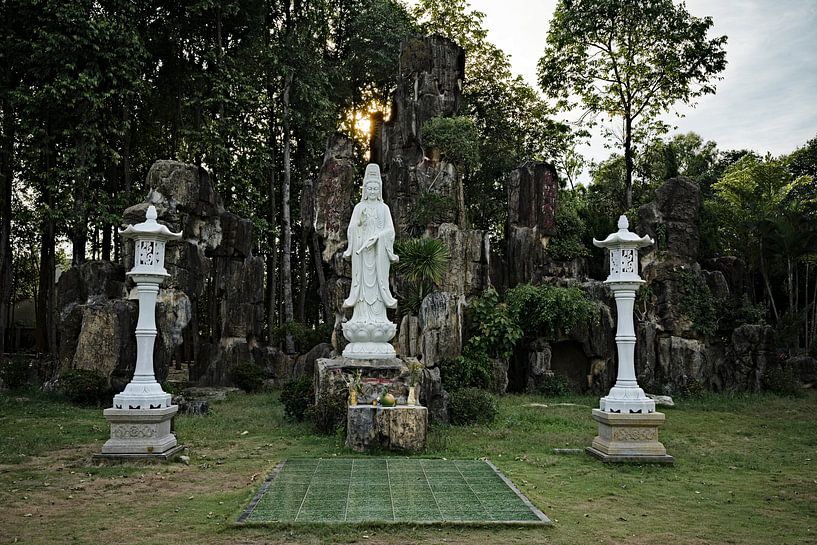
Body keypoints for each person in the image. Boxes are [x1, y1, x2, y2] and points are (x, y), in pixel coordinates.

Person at [342, 164, 398, 325]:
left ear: (379, 190)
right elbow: (352, 227)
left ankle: (379, 318)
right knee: (361, 285)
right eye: (370, 189)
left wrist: (378, 237)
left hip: (378, 253)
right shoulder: (360, 208)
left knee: (378, 283)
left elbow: (390, 231)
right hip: (362, 252)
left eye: (375, 189)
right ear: (365, 190)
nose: (372, 192)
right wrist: (359, 225)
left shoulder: (384, 208)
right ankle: (360, 317)